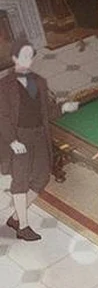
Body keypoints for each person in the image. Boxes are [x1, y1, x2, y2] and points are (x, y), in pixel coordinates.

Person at [0, 37, 80, 241]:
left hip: (39, 134)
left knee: (42, 177)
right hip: (19, 137)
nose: (28, 60)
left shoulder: (39, 82)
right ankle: (23, 226)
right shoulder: (5, 86)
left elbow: (47, 111)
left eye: (30, 56)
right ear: (14, 58)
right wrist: (12, 141)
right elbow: (3, 117)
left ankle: (15, 218)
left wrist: (63, 108)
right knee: (20, 180)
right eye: (23, 56)